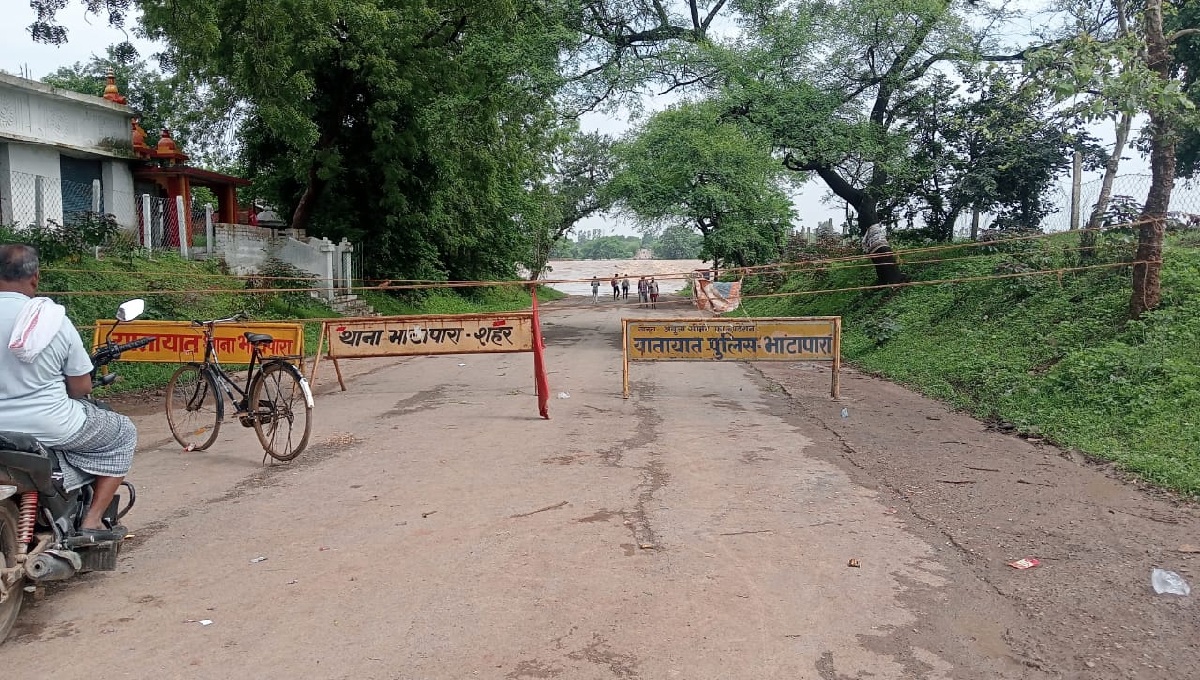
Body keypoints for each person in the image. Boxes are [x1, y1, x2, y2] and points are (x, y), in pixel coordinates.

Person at [0, 244, 135, 541]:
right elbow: (81, 387)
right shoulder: (51, 320)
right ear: (35, 277)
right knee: (124, 431)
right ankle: (92, 520)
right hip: (49, 426)